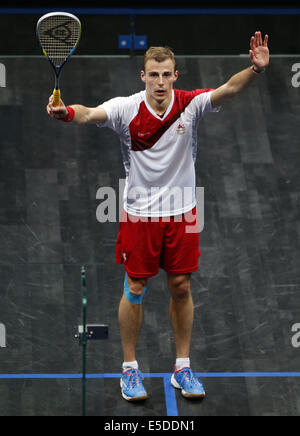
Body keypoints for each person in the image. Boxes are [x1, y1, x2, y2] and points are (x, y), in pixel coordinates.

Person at [46, 31, 269, 402]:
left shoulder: (190, 105)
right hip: (140, 215)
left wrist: (256, 70)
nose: (160, 82)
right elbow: (88, 113)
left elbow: (229, 88)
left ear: (176, 76)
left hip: (182, 213)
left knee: (181, 287)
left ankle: (183, 367)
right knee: (135, 288)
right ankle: (129, 370)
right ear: (143, 76)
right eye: (154, 75)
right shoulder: (125, 108)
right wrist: (64, 112)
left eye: (167, 75)